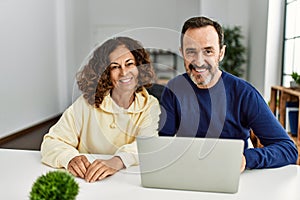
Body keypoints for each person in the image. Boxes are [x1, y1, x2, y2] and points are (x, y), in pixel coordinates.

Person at [158, 16, 298, 172]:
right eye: (191, 52)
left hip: (232, 178)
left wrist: (246, 159)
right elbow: (164, 145)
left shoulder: (244, 93)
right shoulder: (173, 89)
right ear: (182, 53)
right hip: (187, 174)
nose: (199, 61)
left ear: (221, 53)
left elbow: (288, 150)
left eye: (208, 51)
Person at [41, 36, 160, 182]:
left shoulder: (150, 105)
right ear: (106, 74)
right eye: (115, 67)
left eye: (129, 64)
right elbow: (52, 141)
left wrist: (117, 161)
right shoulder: (86, 103)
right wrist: (70, 158)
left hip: (127, 182)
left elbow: (147, 145)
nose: (124, 73)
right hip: (86, 181)